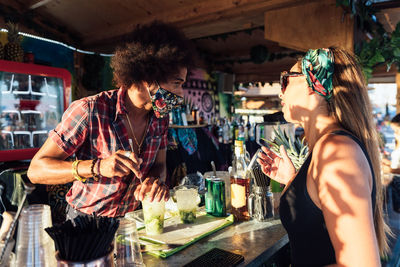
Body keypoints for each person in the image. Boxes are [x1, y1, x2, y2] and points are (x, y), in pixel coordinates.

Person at [27, 21, 194, 219]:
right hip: (86, 223)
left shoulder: (160, 118)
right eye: (176, 84)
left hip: (134, 221)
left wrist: (154, 181)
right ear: (148, 76)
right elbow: (36, 170)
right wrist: (97, 167)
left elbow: (159, 165)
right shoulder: (90, 110)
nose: (180, 93)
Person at [257, 48, 389, 266]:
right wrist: (293, 182)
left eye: (285, 80)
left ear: (312, 84)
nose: (280, 93)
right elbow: (318, 227)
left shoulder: (336, 151)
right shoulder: (327, 147)